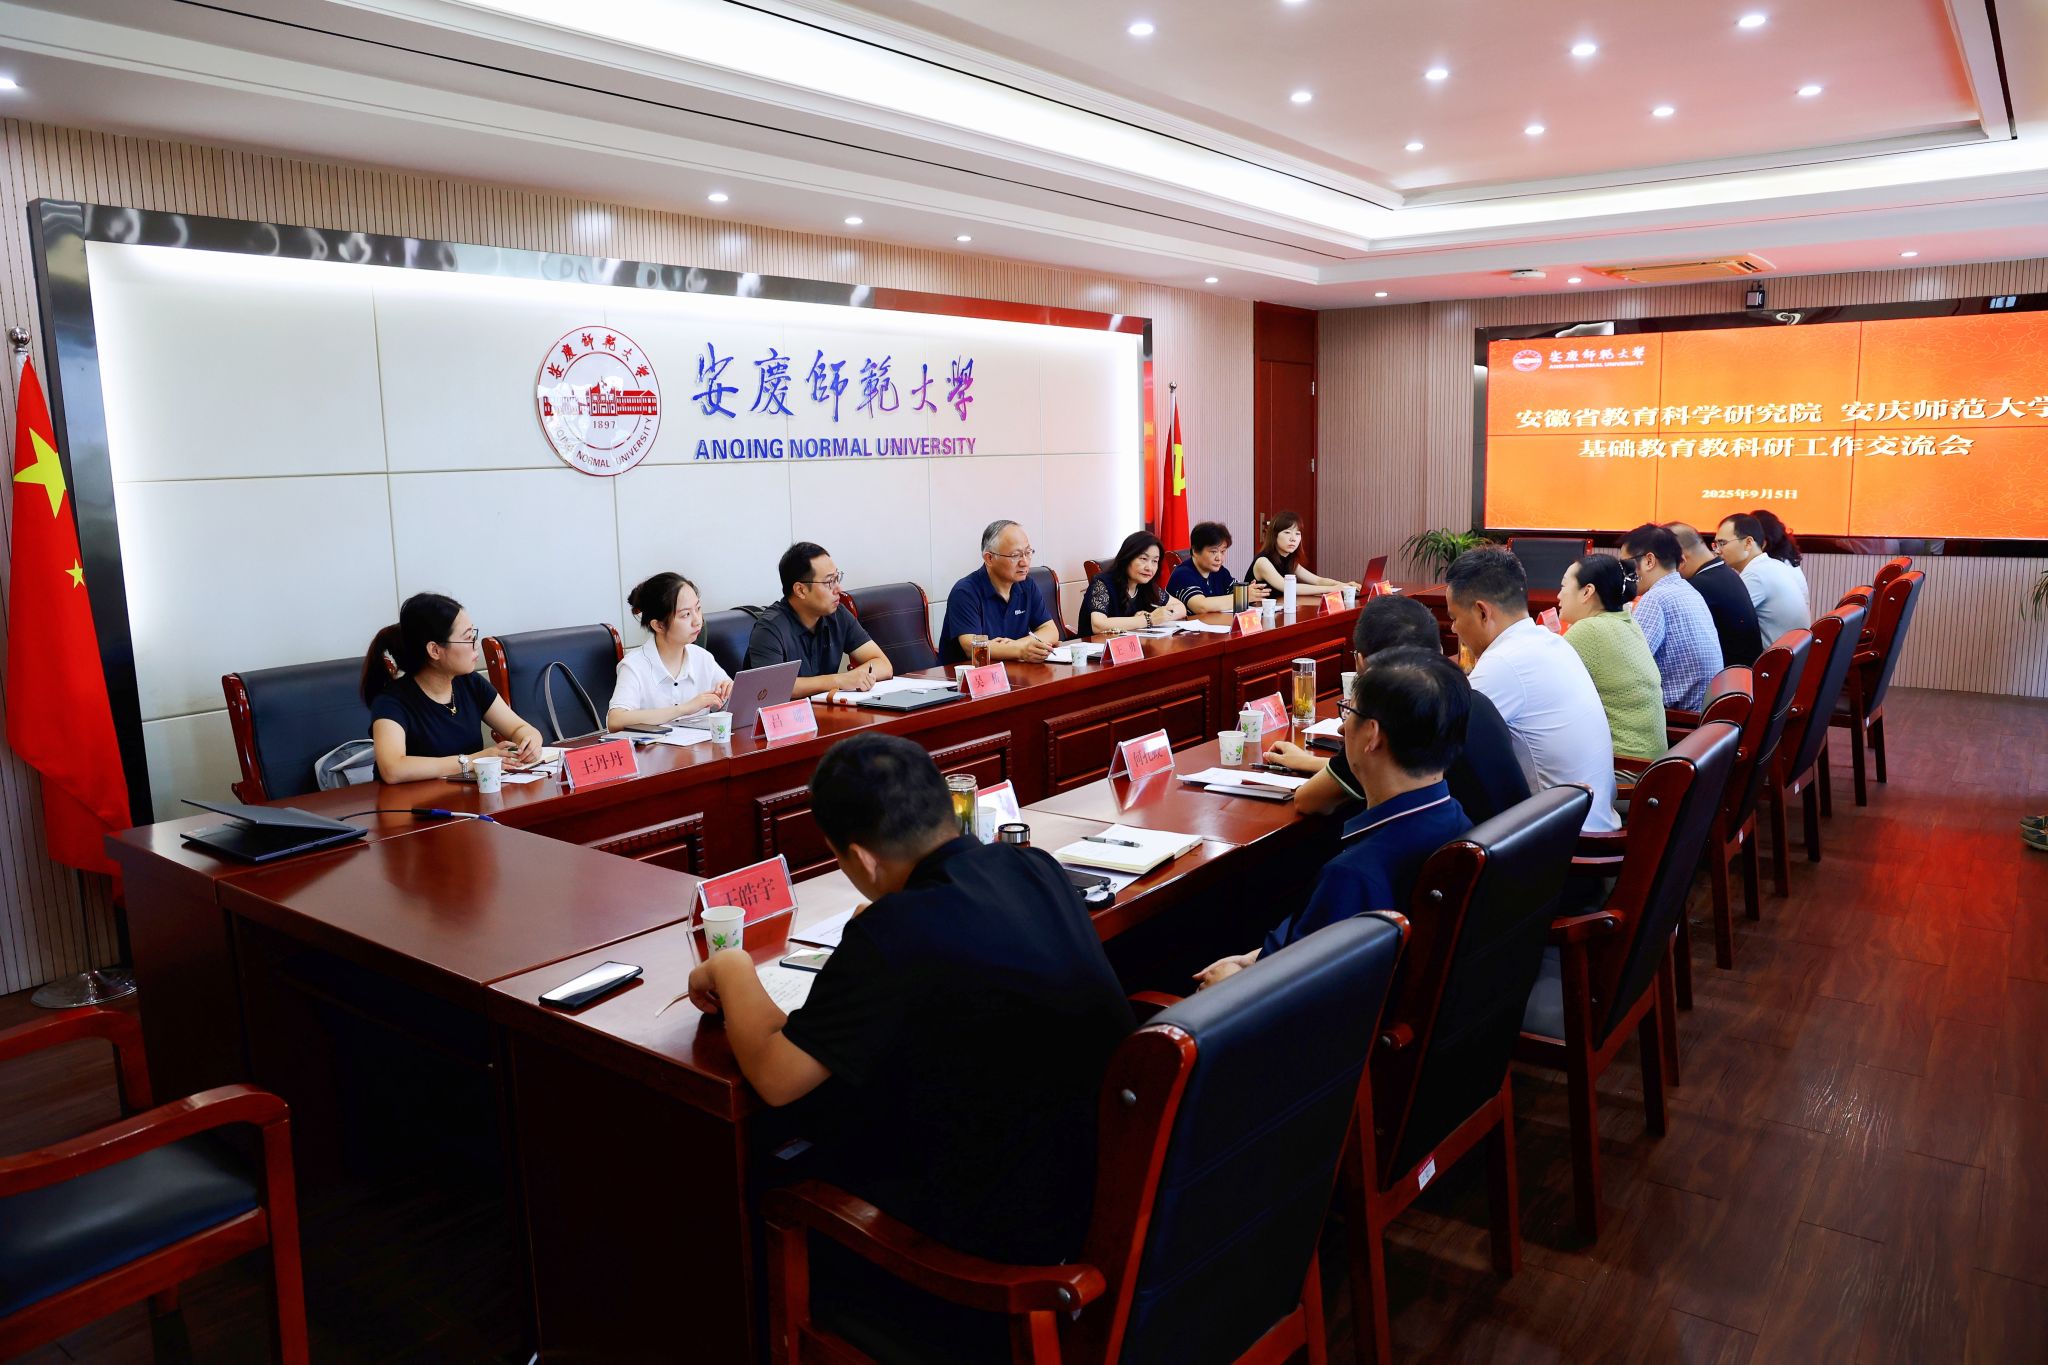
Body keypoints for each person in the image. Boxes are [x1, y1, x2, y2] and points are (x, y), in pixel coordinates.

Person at [685, 733, 1133, 1266]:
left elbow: (776, 1077)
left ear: (861, 858)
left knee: (779, 1166)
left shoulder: (894, 932)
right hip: (1100, 1183)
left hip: (995, 1242)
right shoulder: (1031, 865)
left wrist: (731, 965)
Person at [1195, 650, 1472, 989]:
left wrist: (1232, 983)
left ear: (1372, 736)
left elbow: (1298, 997)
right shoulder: (1458, 820)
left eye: (1349, 712)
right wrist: (1257, 958)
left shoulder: (1353, 876)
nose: (1342, 727)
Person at [1264, 592, 1532, 824]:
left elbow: (1310, 801)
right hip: (1509, 848)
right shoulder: (1473, 700)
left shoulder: (1393, 720)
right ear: (1439, 650)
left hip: (1450, 857)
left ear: (1362, 663)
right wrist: (1310, 762)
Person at [1443, 547, 1620, 833]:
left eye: (1454, 617)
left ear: (1482, 612)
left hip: (1565, 840)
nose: (1453, 629)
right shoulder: (1550, 642)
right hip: (1594, 819)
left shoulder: (1504, 662)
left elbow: (1438, 745)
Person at [360, 592, 542, 783]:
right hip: (412, 801)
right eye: (468, 637)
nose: (475, 645)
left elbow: (518, 727)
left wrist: (530, 740)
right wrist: (472, 760)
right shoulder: (391, 701)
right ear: (435, 650)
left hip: (467, 797)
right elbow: (393, 769)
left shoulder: (470, 682)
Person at [745, 542, 895, 699]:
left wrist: (857, 678)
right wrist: (839, 680)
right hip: (783, 714)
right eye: (829, 582)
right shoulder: (770, 629)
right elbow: (771, 687)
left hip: (825, 710)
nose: (839, 589)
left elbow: (883, 665)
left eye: (837, 578)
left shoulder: (838, 614)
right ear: (800, 590)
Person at [1558, 555, 1668, 764]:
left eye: (1563, 586)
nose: (1558, 595)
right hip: (1651, 764)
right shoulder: (1628, 622)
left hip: (1624, 766)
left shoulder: (1589, 629)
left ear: (1587, 592)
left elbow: (1545, 687)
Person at [605, 572, 733, 729]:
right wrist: (683, 709)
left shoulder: (702, 658)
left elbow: (730, 707)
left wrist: (731, 692)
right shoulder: (634, 665)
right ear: (658, 625)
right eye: (686, 614)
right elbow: (615, 720)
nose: (697, 621)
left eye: (698, 609)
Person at [1621, 524, 1723, 711]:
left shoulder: (1656, 598)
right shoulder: (1688, 590)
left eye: (1626, 565)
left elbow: (1627, 666)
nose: (1624, 574)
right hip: (1705, 712)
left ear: (1649, 561)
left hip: (1680, 717)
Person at [939, 519, 1059, 665]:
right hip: (966, 675)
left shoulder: (1027, 585)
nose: (1025, 562)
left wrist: (1016, 645)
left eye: (1028, 552)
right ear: (989, 558)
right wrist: (1020, 650)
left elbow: (1051, 631)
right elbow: (971, 646)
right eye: (1015, 555)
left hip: (1014, 671)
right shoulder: (965, 592)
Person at [1665, 520, 1764, 667]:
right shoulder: (1724, 573)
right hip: (1743, 672)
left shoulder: (1697, 587)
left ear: (1681, 558)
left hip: (1728, 676)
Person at [1716, 512, 1811, 646]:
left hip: (1775, 657)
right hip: (1795, 652)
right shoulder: (1772, 565)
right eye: (1716, 545)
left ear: (1748, 543)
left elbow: (1722, 621)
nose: (1717, 551)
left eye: (1722, 543)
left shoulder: (1756, 575)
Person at [1078, 530, 1188, 636]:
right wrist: (1149, 619)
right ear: (1127, 558)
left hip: (1131, 645)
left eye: (1155, 561)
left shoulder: (1145, 585)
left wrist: (1161, 615)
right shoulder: (1102, 583)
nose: (1149, 568)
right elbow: (1098, 625)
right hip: (1096, 647)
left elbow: (1181, 608)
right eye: (1143, 559)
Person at [1248, 510, 1358, 596]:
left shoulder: (1288, 559)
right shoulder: (1263, 562)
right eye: (1287, 532)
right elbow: (1287, 587)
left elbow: (1318, 580)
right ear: (1274, 535)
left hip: (1278, 610)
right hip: (1256, 614)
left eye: (1297, 534)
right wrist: (1332, 589)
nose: (1293, 539)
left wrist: (1344, 585)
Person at [1167, 520, 1268, 613]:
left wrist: (1251, 592)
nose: (1219, 558)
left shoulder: (1220, 571)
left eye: (1223, 551)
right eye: (1213, 552)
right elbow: (1201, 606)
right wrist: (1243, 596)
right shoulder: (1182, 574)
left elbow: (1235, 591)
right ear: (1195, 551)